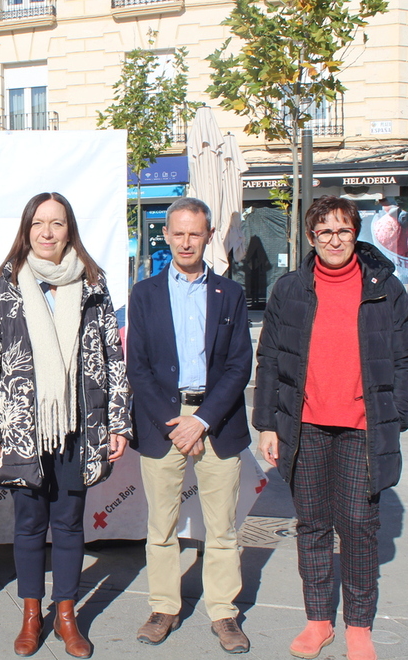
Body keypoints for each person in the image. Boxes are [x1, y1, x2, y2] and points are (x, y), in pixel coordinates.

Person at [253, 196, 408, 660]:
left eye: (343, 230)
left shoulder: (385, 287)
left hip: (362, 427)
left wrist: (396, 413)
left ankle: (359, 625)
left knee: (360, 524)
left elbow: (405, 356)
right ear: (311, 238)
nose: (334, 240)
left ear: (356, 234)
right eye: (324, 231)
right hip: (304, 425)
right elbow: (269, 360)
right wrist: (267, 424)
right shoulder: (290, 289)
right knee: (312, 525)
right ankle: (318, 620)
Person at [0, 192, 131, 659]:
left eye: (56, 224)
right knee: (28, 524)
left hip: (81, 425)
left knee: (68, 524)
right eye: (39, 223)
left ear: (69, 230)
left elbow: (111, 356)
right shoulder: (6, 285)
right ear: (26, 230)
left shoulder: (93, 285)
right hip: (22, 426)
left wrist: (118, 420)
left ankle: (66, 615)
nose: (47, 232)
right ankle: (29, 613)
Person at [126, 197, 253, 654]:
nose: (185, 241)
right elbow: (136, 367)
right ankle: (163, 607)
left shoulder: (231, 294)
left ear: (208, 235)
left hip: (216, 419)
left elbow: (240, 365)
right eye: (177, 233)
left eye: (194, 233)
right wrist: (174, 421)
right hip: (164, 420)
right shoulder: (143, 295)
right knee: (161, 526)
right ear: (166, 236)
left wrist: (200, 420)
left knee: (221, 528)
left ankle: (223, 612)